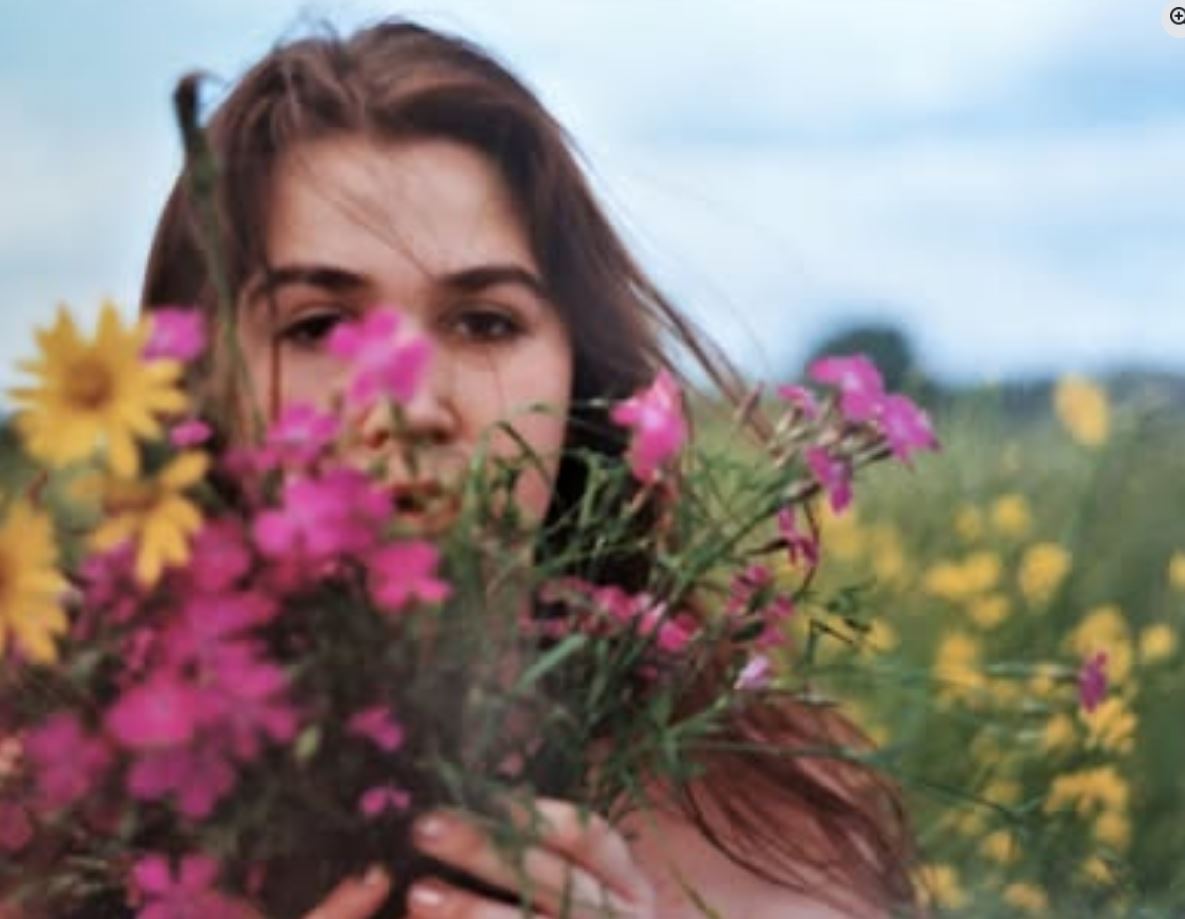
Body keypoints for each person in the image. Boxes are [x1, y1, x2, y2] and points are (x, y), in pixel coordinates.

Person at [141, 19, 915, 918]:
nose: (409, 407)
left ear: (583, 379)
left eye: (483, 323)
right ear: (196, 387)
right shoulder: (57, 815)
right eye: (317, 326)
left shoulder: (786, 840)